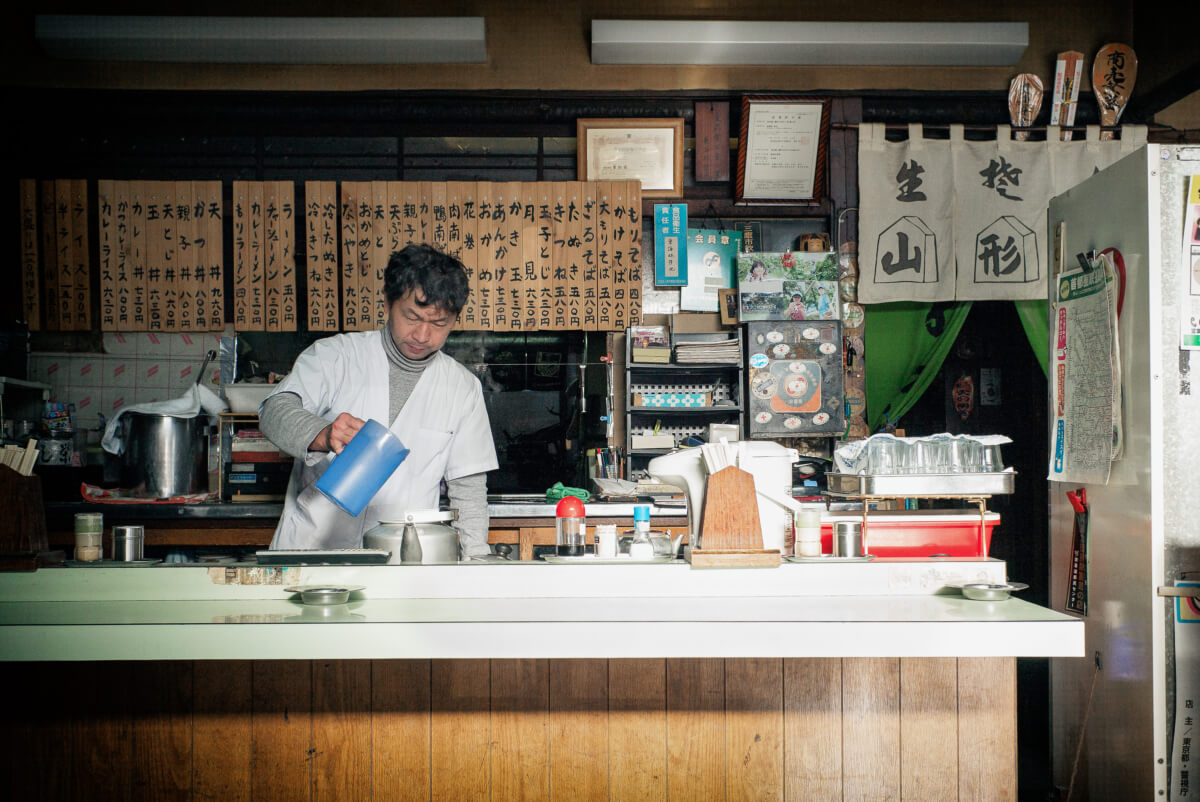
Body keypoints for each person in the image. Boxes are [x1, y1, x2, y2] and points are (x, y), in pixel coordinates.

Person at [259, 243, 498, 557]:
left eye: (439, 323)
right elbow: (274, 411)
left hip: (404, 560)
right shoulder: (336, 356)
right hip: (313, 549)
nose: (423, 335)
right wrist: (323, 433)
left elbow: (468, 492)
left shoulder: (461, 387)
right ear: (387, 303)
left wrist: (477, 561)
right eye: (412, 317)